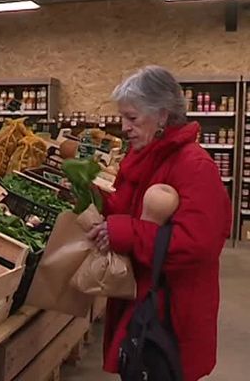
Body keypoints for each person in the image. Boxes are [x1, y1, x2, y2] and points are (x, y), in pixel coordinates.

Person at [87, 65, 232, 381]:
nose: (124, 127)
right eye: (123, 118)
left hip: (172, 313)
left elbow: (197, 245)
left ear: (163, 116)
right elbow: (130, 208)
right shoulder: (146, 154)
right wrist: (94, 202)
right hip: (144, 302)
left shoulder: (194, 166)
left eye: (133, 118)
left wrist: (126, 232)